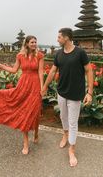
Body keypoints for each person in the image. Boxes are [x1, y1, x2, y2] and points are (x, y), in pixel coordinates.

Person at [0, 35, 44, 155]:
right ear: (27, 44)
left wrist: (42, 88)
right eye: (32, 42)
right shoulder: (20, 56)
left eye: (35, 42)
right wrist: (2, 66)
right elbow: (14, 70)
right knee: (25, 113)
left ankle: (36, 133)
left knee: (35, 112)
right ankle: (25, 143)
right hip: (23, 86)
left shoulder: (39, 56)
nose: (34, 44)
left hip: (35, 87)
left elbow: (40, 72)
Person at [41, 28, 93, 167]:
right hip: (61, 92)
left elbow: (89, 70)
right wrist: (45, 86)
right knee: (63, 117)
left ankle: (72, 150)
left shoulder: (80, 53)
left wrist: (90, 92)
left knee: (73, 122)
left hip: (75, 94)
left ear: (66, 38)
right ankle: (65, 134)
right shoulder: (58, 54)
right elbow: (52, 71)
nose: (57, 39)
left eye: (59, 37)